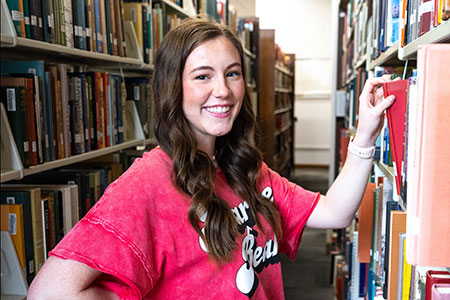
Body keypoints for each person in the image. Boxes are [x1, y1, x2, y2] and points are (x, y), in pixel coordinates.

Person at [27, 18, 396, 299]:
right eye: (203, 76)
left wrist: (364, 136)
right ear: (174, 86)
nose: (222, 90)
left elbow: (335, 212)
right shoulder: (147, 184)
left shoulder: (244, 170)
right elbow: (48, 293)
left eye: (232, 74)